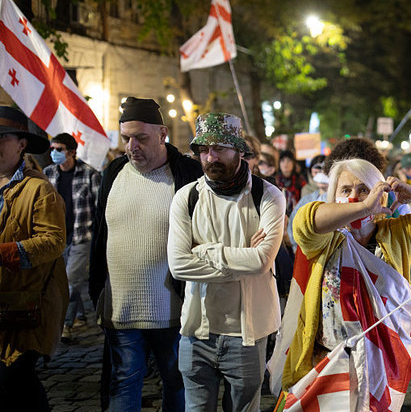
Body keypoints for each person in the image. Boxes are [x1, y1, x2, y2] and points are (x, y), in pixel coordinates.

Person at [277, 158, 411, 402]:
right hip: (325, 364)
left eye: (365, 189)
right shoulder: (325, 239)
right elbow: (305, 222)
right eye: (346, 190)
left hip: (380, 368)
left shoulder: (399, 234)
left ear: (381, 195)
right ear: (333, 197)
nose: (356, 196)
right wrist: (363, 206)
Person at [89, 97, 202, 412]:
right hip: (121, 308)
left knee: (176, 382)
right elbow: (100, 235)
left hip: (172, 310)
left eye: (141, 137)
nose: (132, 146)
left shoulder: (186, 174)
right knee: (124, 381)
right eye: (126, 138)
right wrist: (97, 288)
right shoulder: (114, 172)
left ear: (163, 133)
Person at [167, 113, 286, 411]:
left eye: (220, 148)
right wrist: (239, 263)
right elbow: (179, 265)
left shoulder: (268, 196)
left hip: (248, 334)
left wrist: (206, 251)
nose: (211, 156)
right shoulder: (187, 197)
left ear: (239, 151)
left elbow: (260, 261)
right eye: (204, 149)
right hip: (196, 331)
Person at [0, 106, 69, 412]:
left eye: (2, 138)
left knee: (16, 378)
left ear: (21, 144)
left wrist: (8, 253)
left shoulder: (39, 190)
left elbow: (53, 241)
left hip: (26, 305)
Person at [43, 132, 101, 342]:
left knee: (69, 281)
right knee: (64, 281)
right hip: (56, 238)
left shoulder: (89, 174)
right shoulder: (48, 173)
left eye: (59, 149)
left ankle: (64, 326)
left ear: (72, 152)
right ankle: (80, 315)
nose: (55, 153)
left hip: (81, 237)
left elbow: (99, 208)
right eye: (52, 149)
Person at [287, 170, 329, 250]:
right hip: (304, 248)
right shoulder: (307, 199)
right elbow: (294, 221)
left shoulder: (335, 200)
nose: (321, 175)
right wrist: (295, 246)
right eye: (318, 172)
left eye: (325, 172)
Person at [274, 150, 306, 217]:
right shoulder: (274, 181)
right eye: (282, 161)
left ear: (293, 163)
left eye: (289, 161)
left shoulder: (300, 181)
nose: (286, 164)